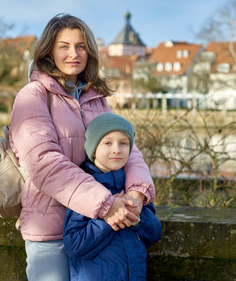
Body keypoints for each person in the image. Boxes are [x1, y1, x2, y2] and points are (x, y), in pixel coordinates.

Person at [9, 14, 155, 281]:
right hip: (51, 227)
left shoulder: (95, 98)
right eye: (64, 46)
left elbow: (129, 151)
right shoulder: (32, 96)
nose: (73, 53)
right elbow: (44, 163)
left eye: (81, 46)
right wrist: (105, 204)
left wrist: (137, 194)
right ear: (49, 51)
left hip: (96, 229)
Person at [63, 113, 162, 281]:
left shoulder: (132, 187)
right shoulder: (85, 188)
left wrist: (136, 216)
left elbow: (154, 233)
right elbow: (74, 245)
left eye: (123, 143)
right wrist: (108, 219)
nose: (116, 149)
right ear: (93, 149)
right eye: (107, 143)